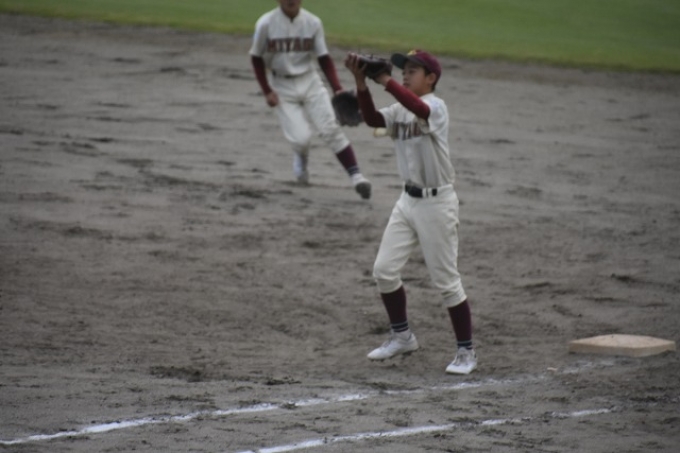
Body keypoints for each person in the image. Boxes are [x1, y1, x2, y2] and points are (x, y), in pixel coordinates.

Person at [344, 49, 477, 374]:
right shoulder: (399, 109)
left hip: (437, 204)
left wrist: (384, 80)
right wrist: (361, 84)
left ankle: (466, 352)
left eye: (413, 71)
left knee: (446, 281)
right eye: (403, 71)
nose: (405, 75)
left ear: (431, 78)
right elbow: (373, 120)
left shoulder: (436, 106)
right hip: (407, 202)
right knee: (384, 271)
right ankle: (402, 336)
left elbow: (419, 108)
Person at [249, 0, 372, 199]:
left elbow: (323, 58)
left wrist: (337, 88)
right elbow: (256, 58)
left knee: (330, 129)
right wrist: (267, 91)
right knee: (301, 139)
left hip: (310, 81)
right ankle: (301, 156)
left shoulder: (313, 22)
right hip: (281, 86)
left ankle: (357, 176)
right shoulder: (265, 24)